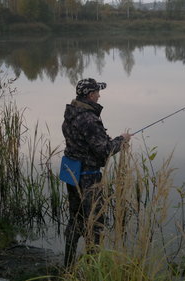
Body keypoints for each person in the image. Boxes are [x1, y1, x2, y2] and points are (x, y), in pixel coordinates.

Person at [61, 78, 131, 268]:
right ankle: (93, 268)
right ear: (90, 95)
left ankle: (68, 264)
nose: (99, 95)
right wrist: (121, 140)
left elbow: (86, 143)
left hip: (72, 174)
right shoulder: (89, 119)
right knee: (95, 222)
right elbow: (104, 150)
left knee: (75, 219)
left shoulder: (71, 114)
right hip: (88, 177)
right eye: (97, 92)